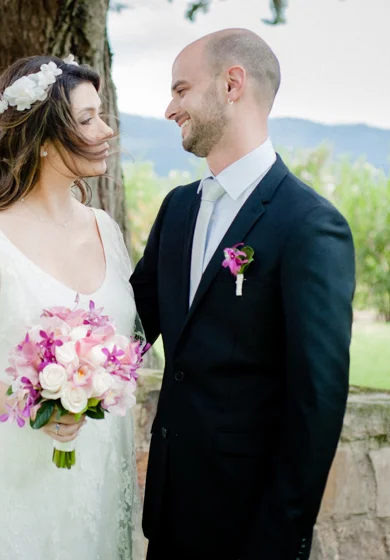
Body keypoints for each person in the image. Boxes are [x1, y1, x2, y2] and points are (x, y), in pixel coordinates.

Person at [131, 28, 356, 559]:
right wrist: (62, 372)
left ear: (232, 84)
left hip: (250, 527)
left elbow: (317, 400)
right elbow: (132, 326)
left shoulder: (310, 225)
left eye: (181, 90)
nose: (169, 108)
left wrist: (280, 538)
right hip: (168, 512)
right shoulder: (177, 209)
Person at [0, 54, 140, 559]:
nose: (105, 131)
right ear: (46, 141)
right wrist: (31, 402)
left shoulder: (106, 229)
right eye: (87, 119)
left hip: (99, 475)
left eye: (101, 115)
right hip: (7, 482)